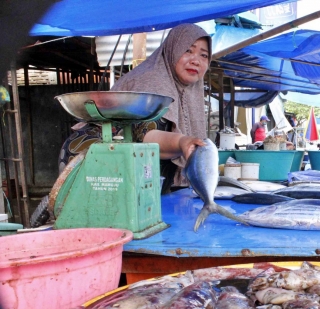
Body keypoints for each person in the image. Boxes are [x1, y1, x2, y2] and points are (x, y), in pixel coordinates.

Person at [58, 24, 210, 194]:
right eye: (188, 50)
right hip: (93, 158)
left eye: (204, 55)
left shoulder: (189, 88)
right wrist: (182, 142)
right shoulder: (152, 82)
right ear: (172, 49)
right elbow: (146, 134)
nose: (196, 60)